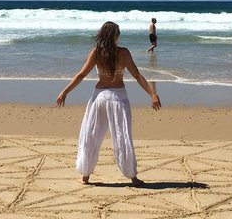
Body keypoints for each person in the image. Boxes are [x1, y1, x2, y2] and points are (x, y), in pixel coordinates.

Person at [56, 21, 161, 186]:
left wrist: (65, 92)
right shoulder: (124, 53)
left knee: (91, 135)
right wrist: (152, 94)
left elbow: (81, 75)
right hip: (118, 99)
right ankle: (132, 177)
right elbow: (137, 75)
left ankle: (85, 177)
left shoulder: (96, 53)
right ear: (116, 36)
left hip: (99, 98)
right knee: (123, 136)